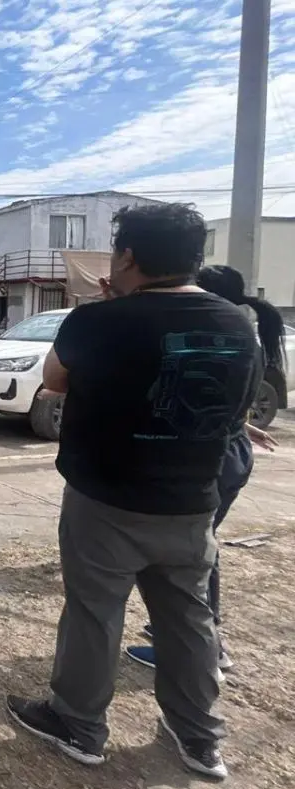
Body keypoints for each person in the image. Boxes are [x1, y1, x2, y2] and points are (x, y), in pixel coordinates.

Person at [5, 204, 262, 781]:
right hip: (193, 498)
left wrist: (106, 310)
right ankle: (200, 738)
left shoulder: (97, 321)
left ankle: (79, 724)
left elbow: (53, 380)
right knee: (189, 618)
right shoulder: (236, 324)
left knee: (95, 611)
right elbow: (238, 408)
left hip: (105, 497)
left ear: (127, 255)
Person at [125, 263, 281, 673]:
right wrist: (244, 426)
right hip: (231, 453)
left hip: (212, 460)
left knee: (189, 555)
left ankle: (205, 646)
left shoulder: (210, 337)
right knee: (193, 549)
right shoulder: (240, 336)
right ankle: (187, 636)